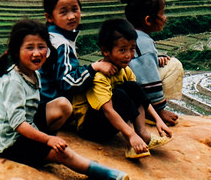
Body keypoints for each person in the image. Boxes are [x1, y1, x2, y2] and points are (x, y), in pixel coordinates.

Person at [0, 19, 130, 180]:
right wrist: (48, 139)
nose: (37, 53)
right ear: (16, 51)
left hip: (25, 128)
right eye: (29, 47)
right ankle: (110, 175)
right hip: (8, 143)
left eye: (41, 47)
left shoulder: (33, 74)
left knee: (63, 105)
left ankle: (44, 150)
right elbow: (18, 124)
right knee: (64, 154)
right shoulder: (13, 82)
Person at [71, 18, 172, 159]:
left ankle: (143, 134)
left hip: (108, 121)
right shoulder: (99, 76)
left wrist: (157, 120)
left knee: (133, 87)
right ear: (106, 51)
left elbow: (139, 96)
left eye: (132, 49)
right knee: (119, 95)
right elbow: (108, 110)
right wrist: (130, 135)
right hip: (90, 128)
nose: (129, 55)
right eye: (122, 50)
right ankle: (131, 143)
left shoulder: (124, 70)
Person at [39, 0, 115, 116]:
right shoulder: (61, 43)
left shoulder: (49, 36)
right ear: (49, 17)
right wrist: (93, 67)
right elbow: (67, 82)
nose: (71, 16)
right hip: (49, 104)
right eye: (63, 12)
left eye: (75, 9)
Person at [120, 0, 185, 126]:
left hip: (122, 89)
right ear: (148, 20)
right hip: (135, 93)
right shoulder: (145, 44)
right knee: (174, 65)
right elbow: (149, 81)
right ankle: (153, 112)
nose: (165, 17)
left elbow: (138, 63)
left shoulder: (124, 34)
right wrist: (160, 111)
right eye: (162, 13)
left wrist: (155, 59)